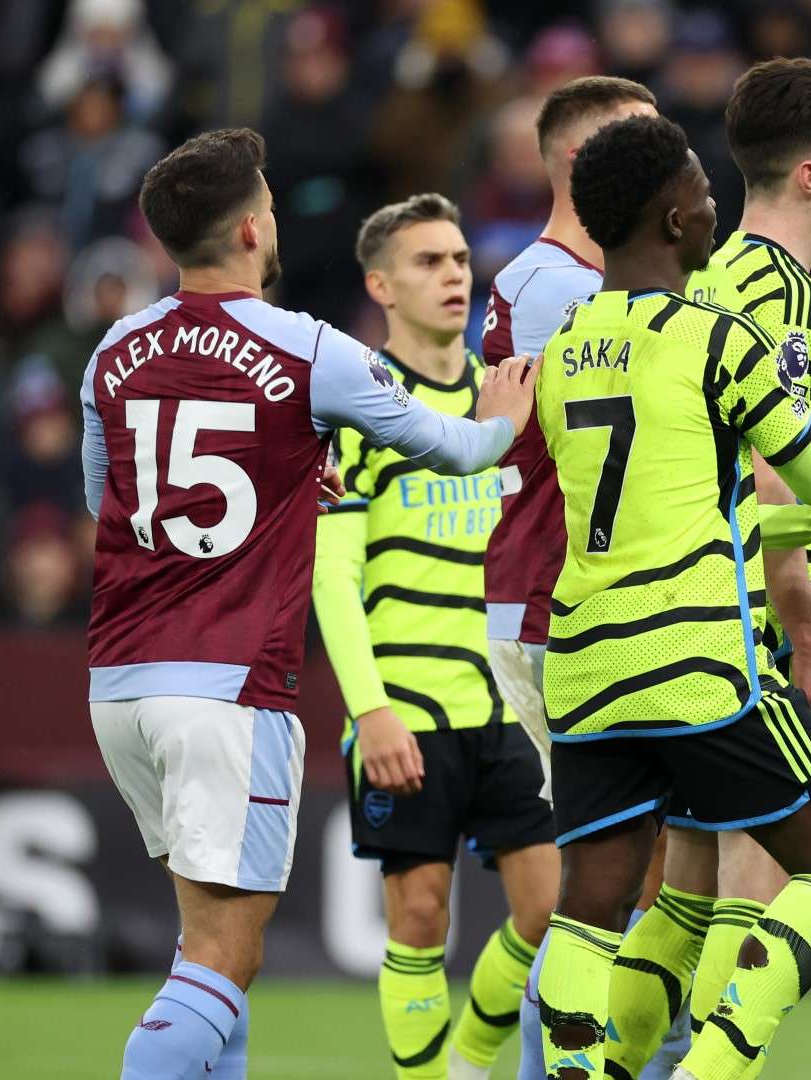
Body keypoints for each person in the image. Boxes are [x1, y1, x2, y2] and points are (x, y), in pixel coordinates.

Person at [83, 128, 531, 1080]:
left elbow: (107, 503)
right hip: (230, 683)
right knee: (225, 955)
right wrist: (503, 419)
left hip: (121, 681)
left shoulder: (112, 351)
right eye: (273, 205)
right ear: (251, 229)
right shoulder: (304, 347)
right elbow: (455, 451)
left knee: (205, 949)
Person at [529, 114, 811, 1080]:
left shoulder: (565, 345)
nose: (715, 198)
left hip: (586, 662)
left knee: (594, 902)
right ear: (674, 215)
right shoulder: (717, 338)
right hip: (694, 656)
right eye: (700, 186)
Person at [470, 76, 693, 1080]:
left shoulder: (552, 279)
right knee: (611, 882)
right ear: (592, 158)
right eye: (651, 143)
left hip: (573, 601)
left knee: (627, 873)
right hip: (566, 603)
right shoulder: (565, 287)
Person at [312, 193, 557, 1080]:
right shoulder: (360, 410)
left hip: (514, 702)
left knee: (549, 911)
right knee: (420, 920)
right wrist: (369, 711)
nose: (453, 275)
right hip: (408, 704)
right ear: (380, 283)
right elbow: (331, 574)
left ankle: (467, 1063)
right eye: (428, 262)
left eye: (459, 260)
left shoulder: (518, 395)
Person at [679, 54, 811, 1056]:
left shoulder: (753, 287)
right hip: (762, 625)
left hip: (727, 620)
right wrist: (808, 633)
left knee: (711, 894)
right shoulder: (772, 295)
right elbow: (767, 482)